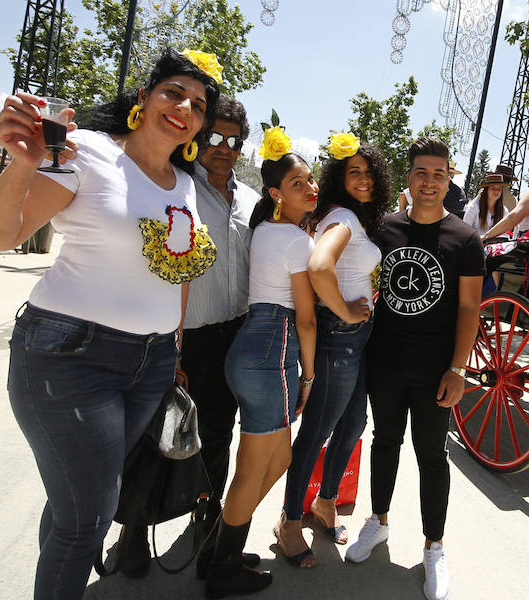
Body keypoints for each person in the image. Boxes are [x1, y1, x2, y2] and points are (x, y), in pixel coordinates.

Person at [0, 48, 221, 599]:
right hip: (70, 356)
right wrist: (22, 163)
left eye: (199, 104)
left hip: (150, 363)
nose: (184, 108)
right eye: (173, 92)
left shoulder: (185, 184)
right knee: (90, 516)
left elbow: (176, 274)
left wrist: (173, 351)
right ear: (144, 97)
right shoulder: (89, 154)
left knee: (79, 509)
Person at [116, 95, 262, 577]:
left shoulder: (252, 202)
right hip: (181, 337)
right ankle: (133, 532)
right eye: (215, 137)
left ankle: (207, 519)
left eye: (233, 141)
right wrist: (170, 343)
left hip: (232, 338)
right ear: (200, 139)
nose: (223, 147)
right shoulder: (178, 187)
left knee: (217, 435)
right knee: (154, 436)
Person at [347, 137, 483, 600]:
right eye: (421, 173)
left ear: (450, 180)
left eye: (439, 174)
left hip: (435, 369)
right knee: (384, 442)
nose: (429, 182)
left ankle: (434, 546)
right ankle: (378, 521)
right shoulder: (384, 228)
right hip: (383, 360)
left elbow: (469, 309)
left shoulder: (465, 239)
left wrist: (458, 368)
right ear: (408, 177)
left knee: (431, 455)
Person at [207, 127, 318, 597]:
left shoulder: (268, 231)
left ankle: (221, 550)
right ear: (275, 193)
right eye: (298, 184)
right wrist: (309, 376)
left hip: (254, 345)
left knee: (268, 460)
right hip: (274, 349)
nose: (310, 188)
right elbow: (307, 320)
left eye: (311, 181)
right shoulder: (295, 241)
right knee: (257, 468)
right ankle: (221, 568)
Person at [276, 135, 389, 568]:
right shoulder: (341, 217)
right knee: (318, 430)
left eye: (367, 172)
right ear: (339, 180)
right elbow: (320, 267)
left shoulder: (352, 218)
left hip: (353, 336)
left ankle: (325, 503)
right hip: (340, 334)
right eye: (352, 172)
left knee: (354, 423)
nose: (362, 179)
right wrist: (344, 309)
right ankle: (288, 521)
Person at [463, 169, 517, 239]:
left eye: (499, 189)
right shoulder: (475, 206)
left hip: (494, 247)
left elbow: (504, 232)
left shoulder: (504, 210)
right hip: (474, 244)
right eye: (493, 188)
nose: (496, 191)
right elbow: (465, 230)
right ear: (486, 190)